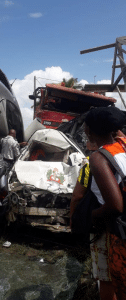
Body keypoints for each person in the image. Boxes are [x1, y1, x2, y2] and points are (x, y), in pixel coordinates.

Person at [83, 106, 126, 300]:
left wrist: (90, 215)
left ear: (89, 130)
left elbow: (116, 205)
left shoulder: (98, 158)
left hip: (119, 233)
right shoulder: (122, 147)